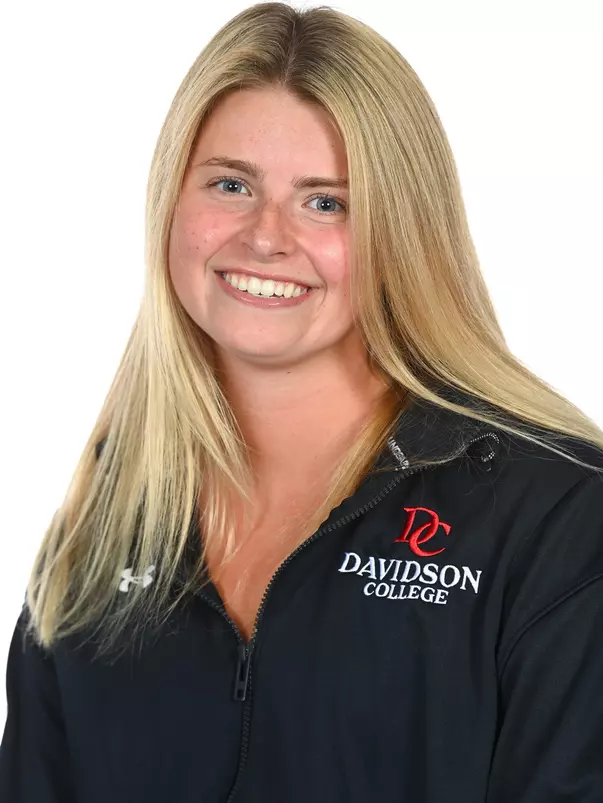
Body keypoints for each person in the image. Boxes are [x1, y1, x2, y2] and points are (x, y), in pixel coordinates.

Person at [1, 2, 602, 801]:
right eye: (230, 184)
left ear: (403, 232)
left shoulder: (558, 519)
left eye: (326, 202)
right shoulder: (108, 523)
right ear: (169, 204)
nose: (264, 237)